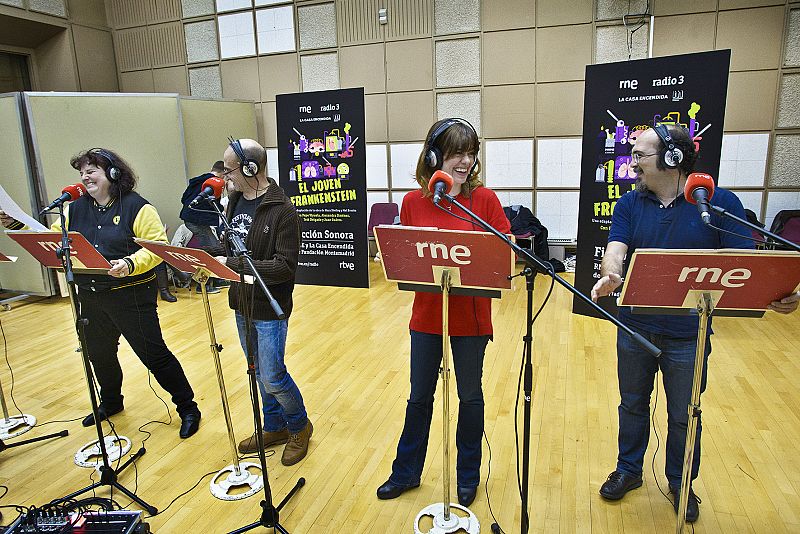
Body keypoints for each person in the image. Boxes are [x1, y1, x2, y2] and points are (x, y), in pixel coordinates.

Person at [591, 125, 800, 522]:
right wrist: (612, 273)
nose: (632, 162)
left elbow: (745, 264)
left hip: (689, 333)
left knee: (685, 413)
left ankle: (681, 480)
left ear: (672, 159)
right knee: (632, 404)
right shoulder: (630, 203)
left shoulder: (717, 203)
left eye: (640, 155)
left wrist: (776, 296)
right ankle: (629, 471)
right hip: (635, 326)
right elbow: (616, 248)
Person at [1, 148, 202, 438]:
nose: (85, 175)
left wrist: (130, 263)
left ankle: (188, 407)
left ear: (113, 173)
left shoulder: (138, 207)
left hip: (130, 294)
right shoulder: (74, 208)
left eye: (91, 169)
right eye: (82, 171)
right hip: (90, 295)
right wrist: (18, 225)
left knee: (153, 355)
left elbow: (156, 247)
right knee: (99, 353)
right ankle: (111, 401)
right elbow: (54, 239)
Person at [376, 118, 511, 507]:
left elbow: (506, 250)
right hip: (427, 318)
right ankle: (405, 473)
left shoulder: (483, 199)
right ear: (434, 156)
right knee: (419, 396)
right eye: (457, 153)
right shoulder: (412, 202)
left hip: (471, 319)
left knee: (469, 396)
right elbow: (404, 256)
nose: (465, 161)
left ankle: (467, 476)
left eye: (471, 153)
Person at [209, 138, 312, 466]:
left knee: (272, 375)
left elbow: (284, 267)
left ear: (251, 168)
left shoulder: (283, 211)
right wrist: (207, 258)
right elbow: (229, 247)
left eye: (230, 170)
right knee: (256, 372)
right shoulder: (234, 200)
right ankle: (274, 427)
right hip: (242, 302)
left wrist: (232, 264)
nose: (226, 176)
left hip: (270, 307)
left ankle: (299, 426)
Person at [179, 161, 226, 294]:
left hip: (190, 218)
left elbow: (184, 199)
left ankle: (216, 279)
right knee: (210, 251)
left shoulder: (197, 181)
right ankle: (203, 285)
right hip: (197, 221)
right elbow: (213, 206)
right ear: (223, 173)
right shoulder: (213, 183)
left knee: (213, 247)